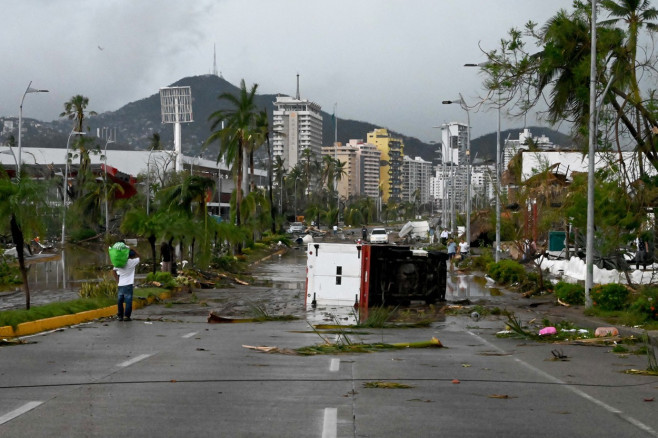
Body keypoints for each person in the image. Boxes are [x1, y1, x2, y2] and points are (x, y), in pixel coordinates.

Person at [112, 247, 140, 321]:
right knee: (128, 300)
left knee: (120, 301)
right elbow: (140, 257)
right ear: (132, 256)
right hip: (128, 284)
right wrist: (134, 249)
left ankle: (120, 316)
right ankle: (126, 316)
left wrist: (117, 280)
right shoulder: (132, 262)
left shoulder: (120, 262)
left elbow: (113, 271)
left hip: (121, 284)